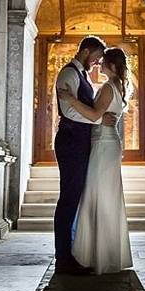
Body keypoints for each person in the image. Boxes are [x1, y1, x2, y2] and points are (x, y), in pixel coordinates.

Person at [58, 47, 134, 275]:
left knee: (98, 196)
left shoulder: (108, 87)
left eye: (102, 62)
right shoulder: (117, 85)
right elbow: (100, 116)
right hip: (106, 142)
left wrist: (71, 98)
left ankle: (98, 254)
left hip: (103, 145)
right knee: (103, 196)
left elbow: (93, 116)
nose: (98, 65)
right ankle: (103, 252)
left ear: (110, 65)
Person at [52, 36, 117, 275]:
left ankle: (72, 253)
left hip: (80, 140)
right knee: (69, 198)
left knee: (76, 196)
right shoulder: (68, 74)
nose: (98, 61)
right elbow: (69, 110)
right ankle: (63, 258)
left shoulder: (83, 75)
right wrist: (99, 118)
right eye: (97, 56)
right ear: (86, 51)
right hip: (70, 140)